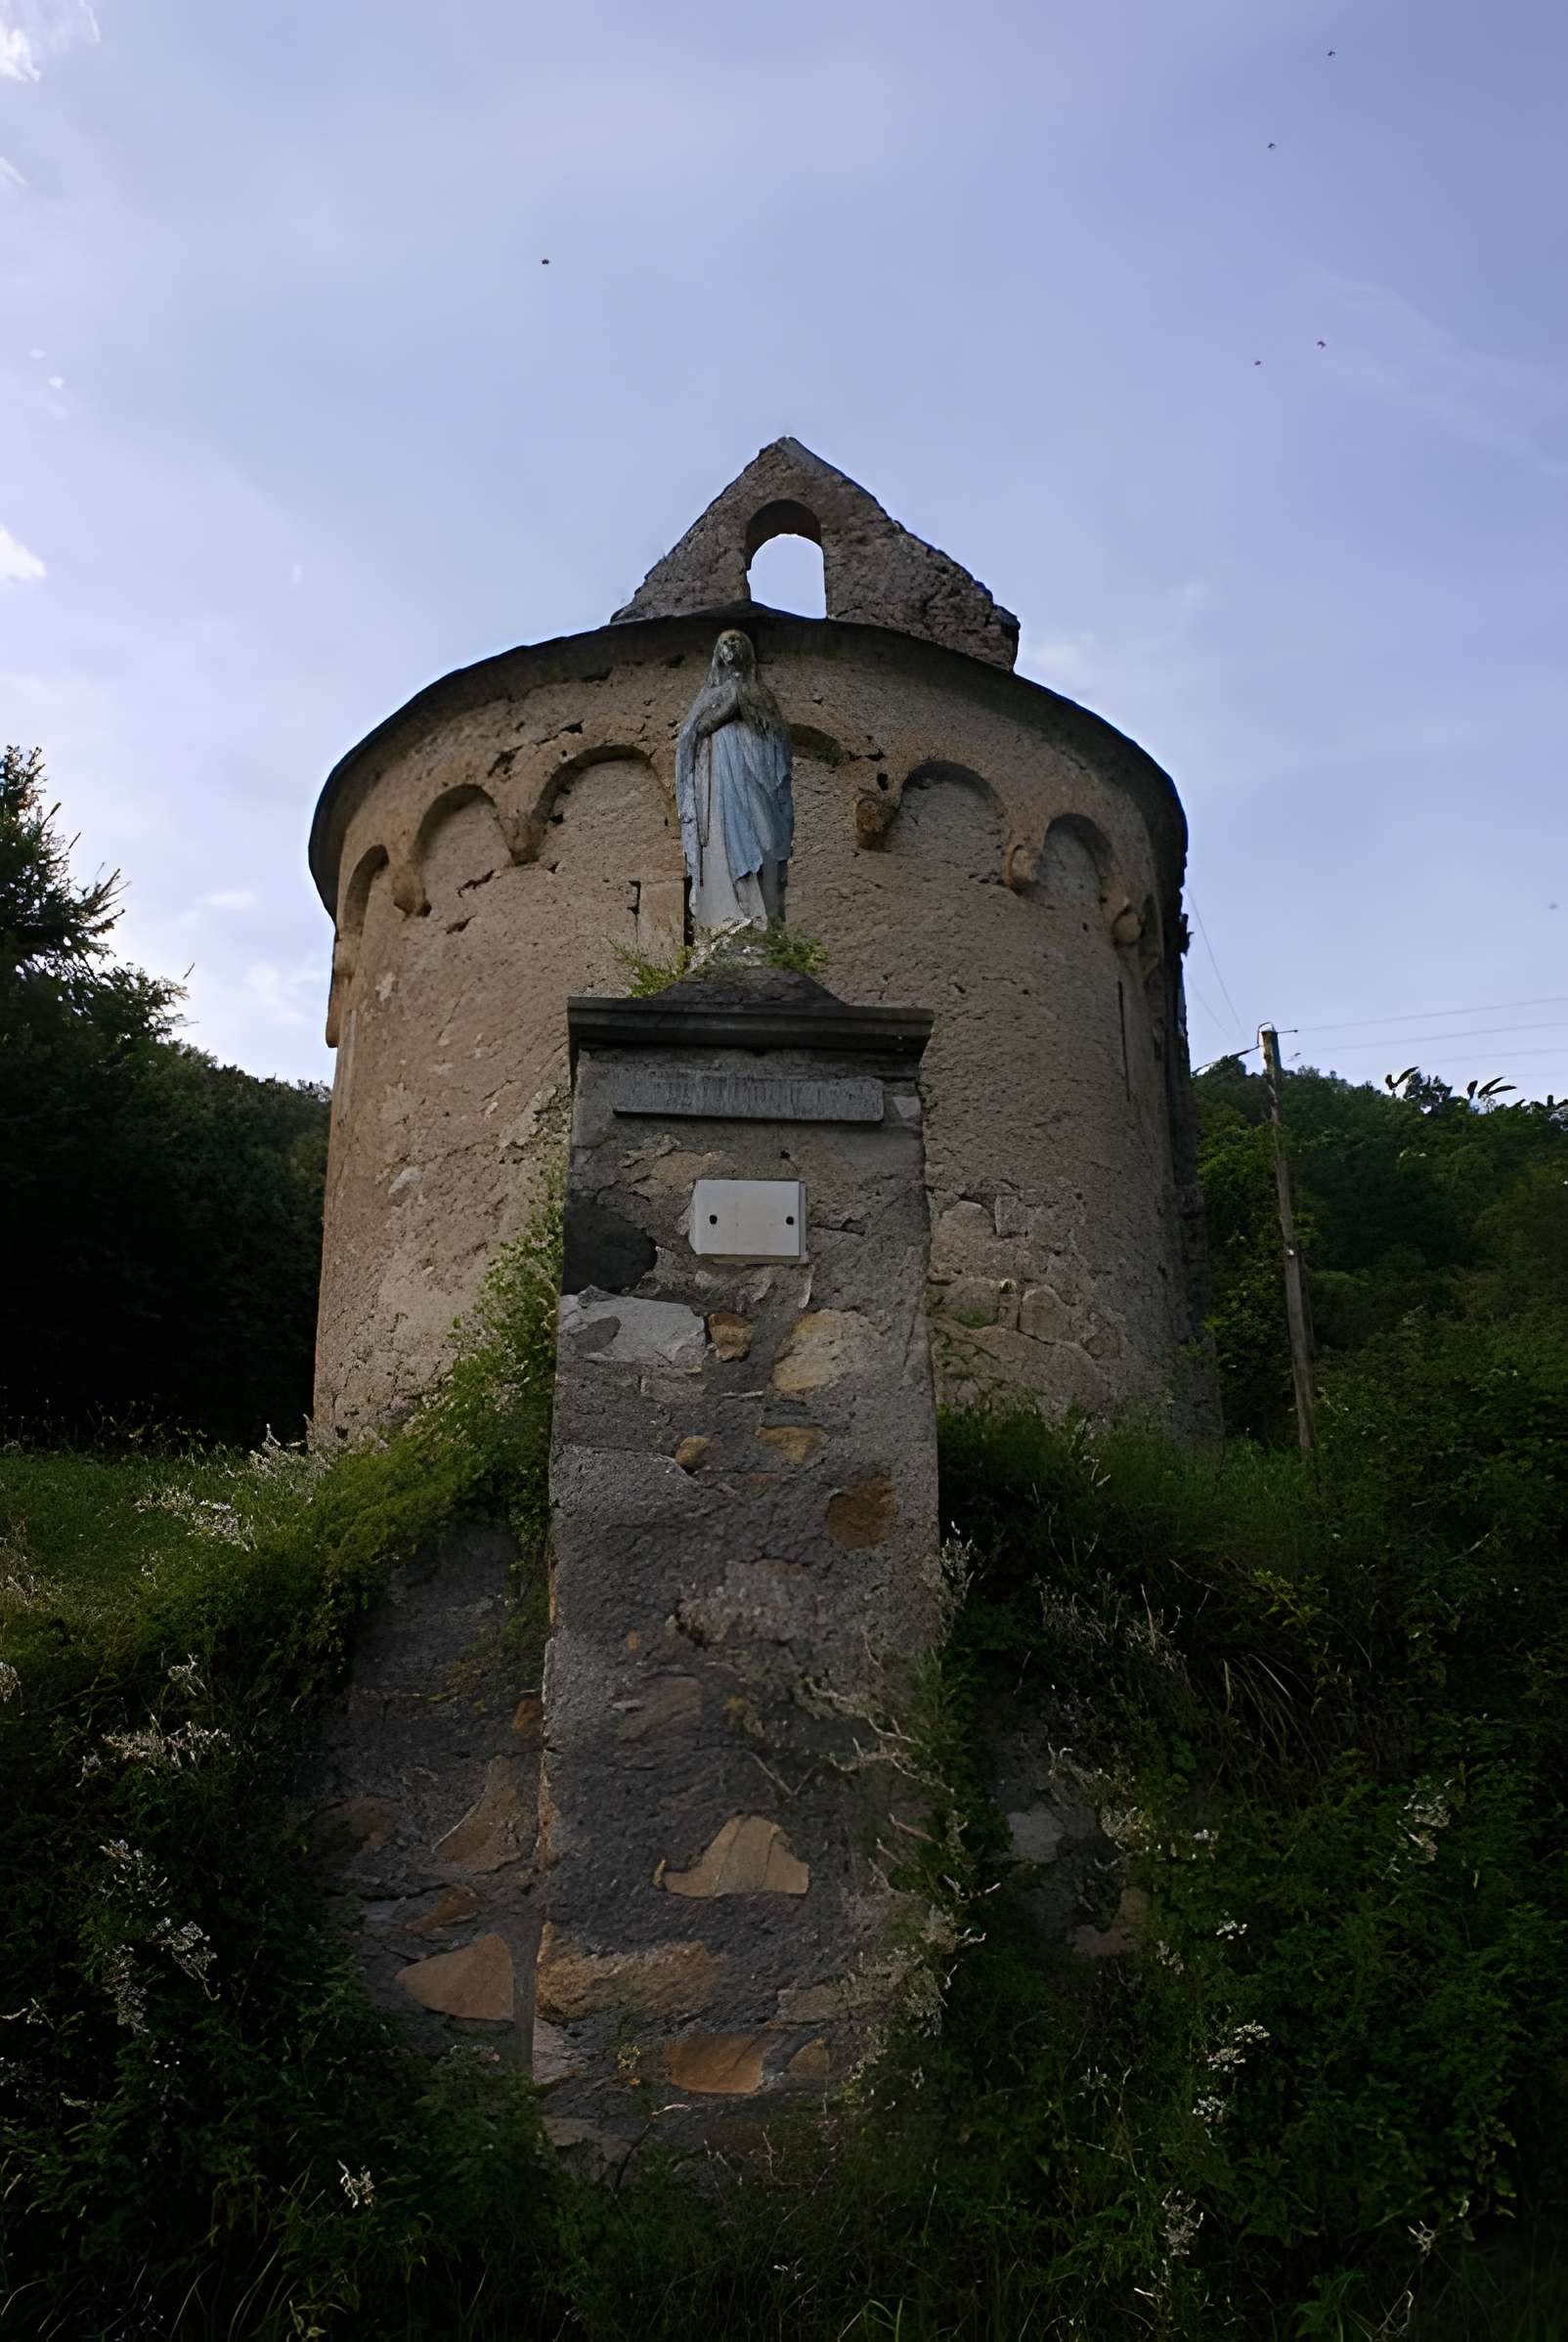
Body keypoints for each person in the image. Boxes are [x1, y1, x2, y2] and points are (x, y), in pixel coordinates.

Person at [675, 629, 793, 932]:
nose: (731, 647)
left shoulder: (760, 693)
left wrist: (749, 709)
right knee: (723, 839)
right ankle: (730, 910)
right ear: (718, 653)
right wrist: (728, 710)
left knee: (764, 835)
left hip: (756, 776)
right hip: (719, 780)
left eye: (737, 641)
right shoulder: (710, 695)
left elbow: (778, 736)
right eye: (725, 643)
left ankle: (761, 911)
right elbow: (692, 734)